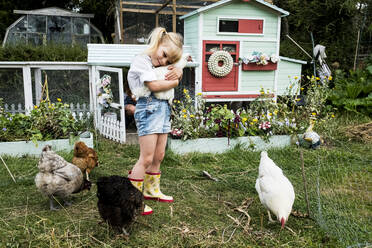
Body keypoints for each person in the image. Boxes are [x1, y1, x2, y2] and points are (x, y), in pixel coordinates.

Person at [127, 27, 183, 215]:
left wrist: (178, 70)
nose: (164, 61)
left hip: (163, 108)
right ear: (158, 42)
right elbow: (154, 85)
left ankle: (152, 190)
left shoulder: (159, 64)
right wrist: (176, 82)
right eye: (165, 54)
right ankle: (132, 200)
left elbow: (178, 65)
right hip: (148, 107)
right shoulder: (141, 61)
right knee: (146, 158)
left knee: (159, 155)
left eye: (169, 61)